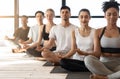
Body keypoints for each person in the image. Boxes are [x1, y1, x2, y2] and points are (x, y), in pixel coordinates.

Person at [84, 0, 120, 79]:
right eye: (109, 14)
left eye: (115, 14)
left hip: (118, 65)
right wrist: (84, 53)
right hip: (103, 64)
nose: (112, 17)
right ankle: (114, 76)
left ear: (118, 15)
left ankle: (105, 77)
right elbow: (97, 53)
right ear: (105, 15)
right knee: (88, 59)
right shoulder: (98, 31)